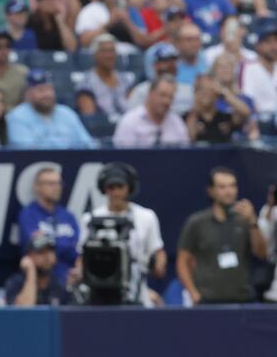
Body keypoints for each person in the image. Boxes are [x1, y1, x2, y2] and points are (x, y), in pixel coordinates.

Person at [177, 168, 266, 305]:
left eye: (232, 185)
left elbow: (261, 253)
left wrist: (253, 222)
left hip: (242, 300)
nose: (229, 191)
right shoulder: (197, 222)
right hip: (208, 300)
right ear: (210, 191)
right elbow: (182, 261)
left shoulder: (245, 219)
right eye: (222, 187)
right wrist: (193, 293)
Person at [79, 163, 164, 306]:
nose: (116, 192)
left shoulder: (146, 216)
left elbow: (157, 252)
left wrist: (158, 266)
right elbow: (82, 256)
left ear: (129, 188)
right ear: (103, 189)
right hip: (98, 289)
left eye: (120, 187)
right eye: (111, 188)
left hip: (135, 289)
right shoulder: (90, 219)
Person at [7, 70, 97, 149]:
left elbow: (88, 145)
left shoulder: (67, 113)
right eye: (40, 90)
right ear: (28, 94)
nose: (46, 94)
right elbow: (26, 151)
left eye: (49, 89)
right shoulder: (17, 116)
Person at [112, 76, 189, 148]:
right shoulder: (129, 121)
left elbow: (185, 155)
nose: (166, 101)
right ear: (150, 93)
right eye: (162, 95)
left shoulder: (177, 122)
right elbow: (122, 158)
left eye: (170, 97)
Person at [5, 231, 70, 306]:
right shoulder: (16, 283)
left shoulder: (58, 285)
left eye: (50, 251)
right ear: (28, 257)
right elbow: (23, 312)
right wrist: (31, 271)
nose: (47, 257)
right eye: (41, 252)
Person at [78, 33, 133, 120]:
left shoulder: (124, 79)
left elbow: (133, 108)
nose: (109, 56)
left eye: (112, 51)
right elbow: (90, 119)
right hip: (102, 130)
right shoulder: (87, 82)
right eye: (104, 51)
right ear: (95, 55)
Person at [185, 74, 251, 144]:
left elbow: (245, 112)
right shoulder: (188, 117)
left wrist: (223, 92)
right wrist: (196, 106)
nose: (205, 93)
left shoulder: (225, 118)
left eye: (210, 90)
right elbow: (191, 137)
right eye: (201, 89)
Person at [240, 21, 277, 119]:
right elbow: (247, 99)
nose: (274, 47)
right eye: (268, 42)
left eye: (276, 41)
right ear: (258, 45)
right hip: (259, 120)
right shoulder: (249, 66)